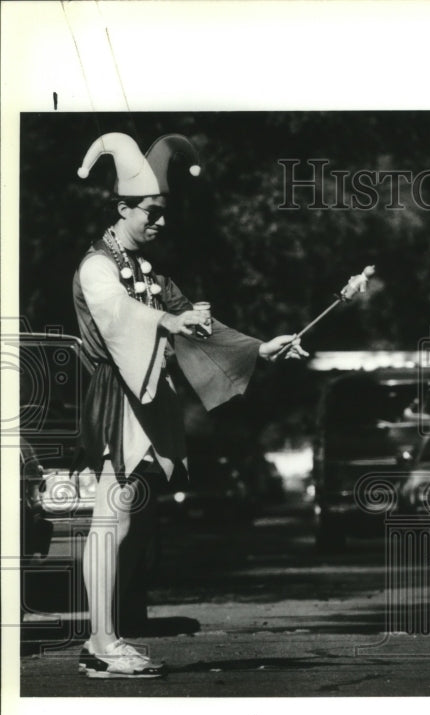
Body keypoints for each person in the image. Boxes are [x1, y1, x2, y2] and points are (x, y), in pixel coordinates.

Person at [72, 132, 309, 679]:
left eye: (164, 213)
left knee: (130, 521)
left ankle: (105, 638)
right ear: (123, 206)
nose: (160, 222)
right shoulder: (97, 266)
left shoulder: (151, 273)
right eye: (150, 213)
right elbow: (115, 314)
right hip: (119, 400)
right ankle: (102, 640)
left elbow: (202, 327)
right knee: (111, 518)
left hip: (149, 401)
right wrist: (164, 321)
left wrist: (259, 347)